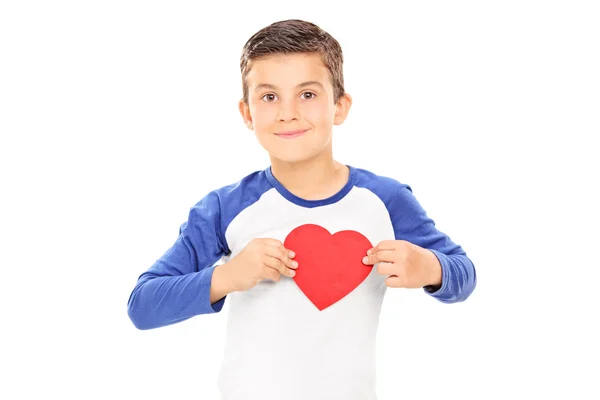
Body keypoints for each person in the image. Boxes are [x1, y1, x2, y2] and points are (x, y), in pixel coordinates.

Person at [127, 18, 476, 400]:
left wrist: (430, 268)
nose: (288, 113)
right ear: (247, 113)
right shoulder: (224, 208)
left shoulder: (386, 200)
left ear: (339, 106)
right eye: (270, 97)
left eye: (307, 94)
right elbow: (143, 305)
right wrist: (227, 276)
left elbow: (463, 273)